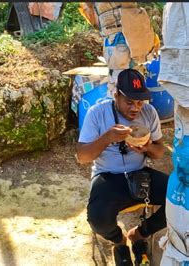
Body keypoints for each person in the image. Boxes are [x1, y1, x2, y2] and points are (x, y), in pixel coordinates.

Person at [76, 69, 168, 265]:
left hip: (139, 173)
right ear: (116, 95)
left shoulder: (149, 113)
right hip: (108, 175)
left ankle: (139, 234)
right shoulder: (97, 113)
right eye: (129, 102)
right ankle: (119, 240)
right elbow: (82, 157)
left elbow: (160, 152)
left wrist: (147, 147)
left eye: (139, 102)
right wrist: (107, 137)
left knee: (181, 200)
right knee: (97, 218)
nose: (135, 108)